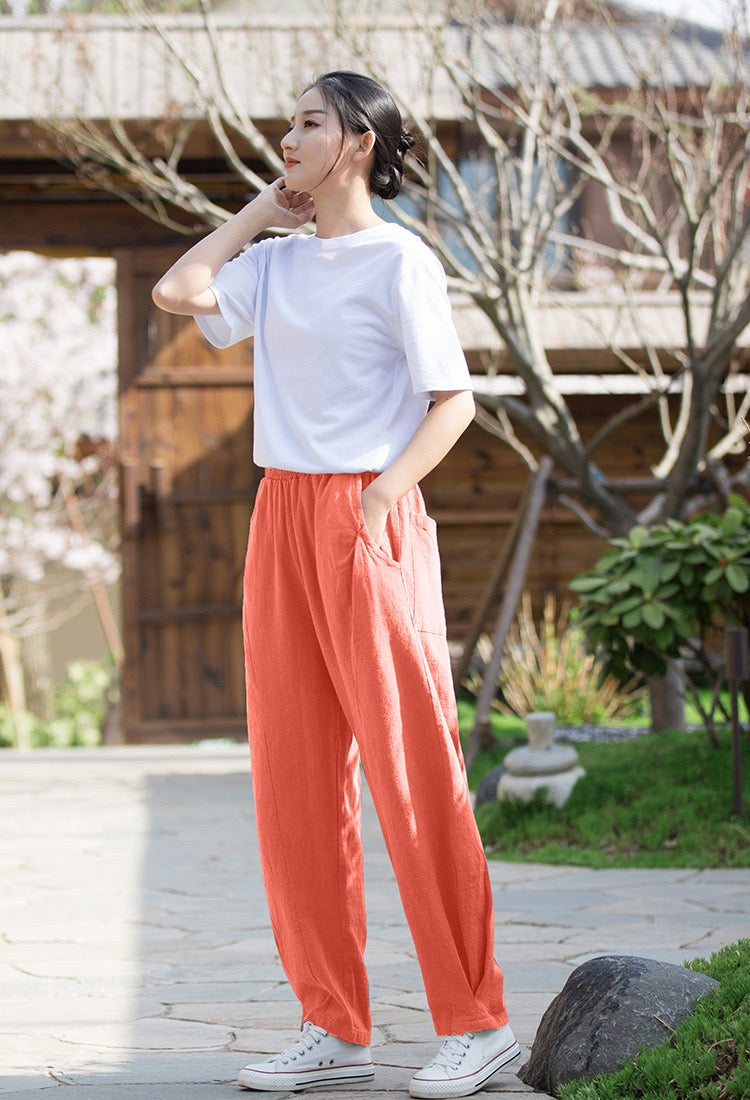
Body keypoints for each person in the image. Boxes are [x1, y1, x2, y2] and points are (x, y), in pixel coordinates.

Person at [152, 69, 519, 1099]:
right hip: (281, 514)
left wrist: (379, 497)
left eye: (310, 121)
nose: (289, 134)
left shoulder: (401, 260)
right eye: (290, 121)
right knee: (296, 782)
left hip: (367, 512)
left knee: (411, 768)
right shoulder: (274, 264)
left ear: (358, 141)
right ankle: (332, 1022)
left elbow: (453, 401)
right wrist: (258, 214)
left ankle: (479, 1020)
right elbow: (179, 291)